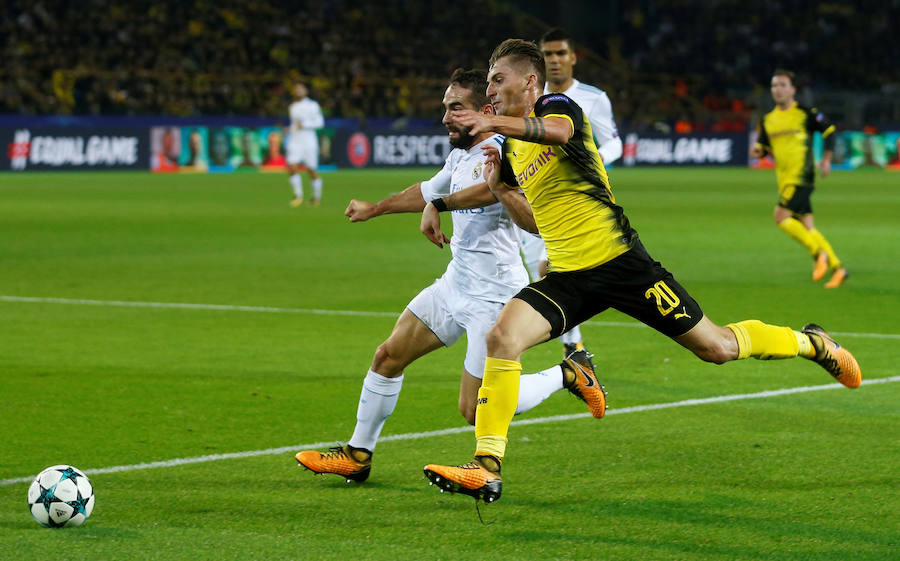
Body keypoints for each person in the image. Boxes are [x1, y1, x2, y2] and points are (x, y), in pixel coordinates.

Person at [422, 39, 862, 504]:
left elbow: (554, 132)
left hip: (621, 264)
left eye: (497, 78)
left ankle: (813, 343)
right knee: (502, 338)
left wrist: (489, 120)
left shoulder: (558, 106)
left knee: (717, 347)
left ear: (529, 81)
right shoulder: (510, 149)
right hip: (569, 276)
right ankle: (486, 467)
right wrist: (498, 187)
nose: (489, 87)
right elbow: (533, 220)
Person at [294, 69, 607, 484]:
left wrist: (438, 204)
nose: (445, 116)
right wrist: (377, 208)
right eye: (445, 107)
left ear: (486, 111)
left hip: (495, 295)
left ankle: (568, 373)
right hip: (456, 282)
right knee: (388, 357)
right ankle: (357, 454)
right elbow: (426, 189)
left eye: (456, 107)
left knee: (475, 409)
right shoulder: (461, 152)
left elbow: (484, 190)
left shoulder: (507, 150)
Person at [520, 28, 625, 358]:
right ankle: (573, 346)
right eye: (547, 55)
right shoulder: (528, 96)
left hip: (574, 201)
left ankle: (572, 345)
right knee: (534, 268)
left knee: (548, 268)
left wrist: (593, 162)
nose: (554, 60)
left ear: (573, 58)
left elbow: (615, 142)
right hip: (530, 197)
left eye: (560, 54)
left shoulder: (594, 98)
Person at [750, 70, 848, 288]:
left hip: (802, 176)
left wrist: (827, 159)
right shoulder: (768, 120)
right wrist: (758, 151)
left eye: (783, 85)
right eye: (774, 85)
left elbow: (829, 131)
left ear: (793, 89)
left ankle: (818, 253)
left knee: (780, 216)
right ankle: (838, 268)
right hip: (784, 180)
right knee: (807, 227)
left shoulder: (805, 113)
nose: (778, 89)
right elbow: (763, 147)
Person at [286, 82, 325, 207]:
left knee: (311, 170)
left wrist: (305, 125)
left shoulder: (313, 105)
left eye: (300, 89)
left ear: (306, 91)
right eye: (296, 89)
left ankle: (316, 196)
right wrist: (289, 129)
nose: (298, 91)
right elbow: (294, 124)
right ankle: (298, 195)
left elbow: (320, 123)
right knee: (291, 167)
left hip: (309, 141)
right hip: (295, 141)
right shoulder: (292, 107)